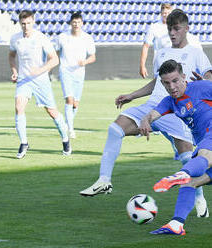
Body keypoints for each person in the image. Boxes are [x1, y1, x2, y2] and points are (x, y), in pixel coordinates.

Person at [80, 9, 212, 217]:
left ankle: (198, 195)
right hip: (153, 105)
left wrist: (202, 83)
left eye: (176, 28)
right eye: (170, 28)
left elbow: (207, 77)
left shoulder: (196, 52)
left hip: (175, 110)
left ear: (186, 29)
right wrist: (132, 95)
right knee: (116, 128)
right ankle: (104, 180)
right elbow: (157, 82)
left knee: (188, 155)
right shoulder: (161, 53)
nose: (172, 33)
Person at [139, 59, 212, 235]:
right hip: (204, 143)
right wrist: (145, 120)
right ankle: (176, 224)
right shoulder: (169, 102)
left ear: (184, 77)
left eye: (175, 81)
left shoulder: (203, 87)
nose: (171, 86)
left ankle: (181, 174)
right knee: (190, 184)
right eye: (166, 83)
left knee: (204, 154)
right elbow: (152, 114)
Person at [8, 10, 71, 159]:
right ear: (20, 23)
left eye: (28, 23)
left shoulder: (41, 38)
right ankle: (24, 143)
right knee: (18, 107)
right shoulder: (15, 39)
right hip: (24, 80)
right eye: (23, 23)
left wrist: (40, 70)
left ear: (33, 22)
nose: (26, 26)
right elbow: (11, 55)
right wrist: (14, 71)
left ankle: (65, 139)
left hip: (41, 80)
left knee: (52, 112)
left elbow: (55, 59)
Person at [55, 12, 96, 139]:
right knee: (69, 99)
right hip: (65, 70)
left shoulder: (87, 38)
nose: (76, 24)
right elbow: (56, 53)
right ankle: (71, 129)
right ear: (70, 23)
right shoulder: (62, 37)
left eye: (78, 22)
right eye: (74, 22)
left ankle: (68, 123)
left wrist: (85, 61)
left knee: (75, 103)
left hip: (79, 73)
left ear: (82, 23)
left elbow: (93, 56)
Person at [139, 3, 200, 79]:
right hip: (160, 65)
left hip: (176, 64)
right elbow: (146, 46)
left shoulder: (178, 27)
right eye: (164, 13)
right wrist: (142, 65)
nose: (166, 15)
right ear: (161, 13)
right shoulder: (154, 27)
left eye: (168, 13)